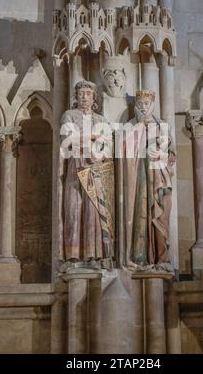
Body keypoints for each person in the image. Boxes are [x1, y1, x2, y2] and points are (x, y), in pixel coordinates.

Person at [60, 80, 115, 269]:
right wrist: (92, 136)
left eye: (88, 93)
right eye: (81, 93)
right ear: (76, 97)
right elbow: (67, 139)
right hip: (75, 165)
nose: (84, 96)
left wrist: (85, 137)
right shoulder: (69, 115)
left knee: (93, 210)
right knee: (74, 208)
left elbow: (108, 144)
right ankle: (73, 256)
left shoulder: (100, 119)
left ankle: (93, 255)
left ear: (94, 97)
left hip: (95, 167)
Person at [123, 89, 176, 270]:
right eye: (140, 104)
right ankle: (140, 257)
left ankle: (162, 258)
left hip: (160, 179)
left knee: (161, 216)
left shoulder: (162, 125)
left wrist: (162, 153)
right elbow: (123, 152)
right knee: (140, 214)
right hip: (139, 178)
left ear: (152, 104)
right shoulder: (130, 125)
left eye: (146, 104)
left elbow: (172, 155)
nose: (143, 108)